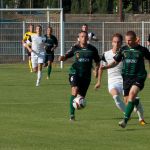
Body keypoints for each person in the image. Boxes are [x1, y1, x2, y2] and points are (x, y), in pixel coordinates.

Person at [101, 31, 150, 128]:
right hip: (126, 79)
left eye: (130, 40)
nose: (127, 42)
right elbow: (115, 62)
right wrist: (106, 67)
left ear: (135, 39)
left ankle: (125, 120)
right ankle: (136, 103)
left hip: (139, 77)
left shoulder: (142, 50)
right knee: (128, 101)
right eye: (126, 40)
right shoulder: (123, 50)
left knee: (132, 94)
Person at [59, 31, 100, 121]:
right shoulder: (75, 48)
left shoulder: (93, 49)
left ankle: (76, 105)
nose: (84, 38)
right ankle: (72, 115)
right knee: (74, 90)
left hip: (86, 76)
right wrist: (63, 58)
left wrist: (95, 70)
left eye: (85, 36)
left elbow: (97, 61)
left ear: (88, 38)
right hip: (75, 72)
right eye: (82, 36)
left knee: (81, 97)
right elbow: (67, 55)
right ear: (79, 38)